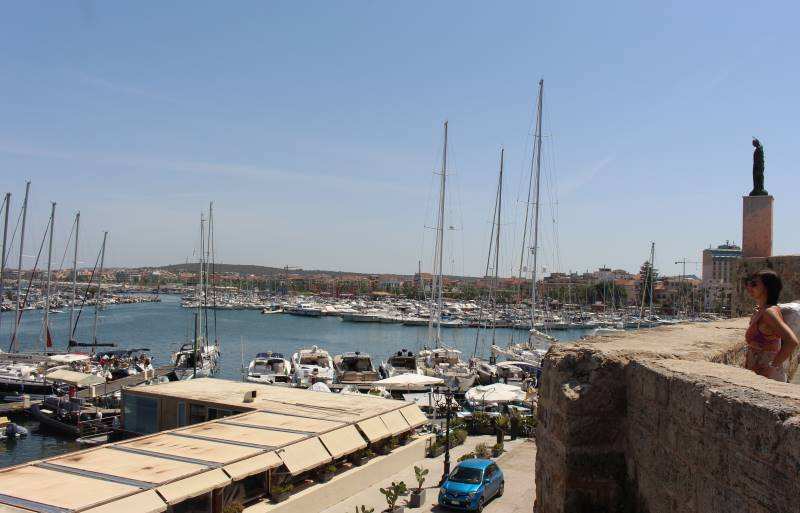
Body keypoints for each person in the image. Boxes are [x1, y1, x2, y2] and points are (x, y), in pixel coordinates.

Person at [744, 269, 799, 381]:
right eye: (748, 283)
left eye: (754, 284)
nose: (749, 287)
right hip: (758, 373)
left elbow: (791, 342)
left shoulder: (769, 312)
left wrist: (771, 367)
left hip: (768, 376)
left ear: (767, 287)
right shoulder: (760, 310)